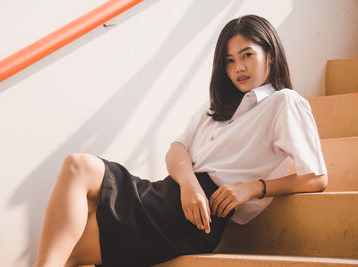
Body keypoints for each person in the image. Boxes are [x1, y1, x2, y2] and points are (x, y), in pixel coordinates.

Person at [33, 15, 328, 267]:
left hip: (197, 217)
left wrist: (252, 188)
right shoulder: (218, 107)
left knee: (75, 194)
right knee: (75, 179)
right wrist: (188, 185)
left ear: (271, 54)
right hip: (171, 193)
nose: (238, 67)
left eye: (247, 55)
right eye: (230, 60)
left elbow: (316, 178)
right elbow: (176, 150)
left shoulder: (284, 103)